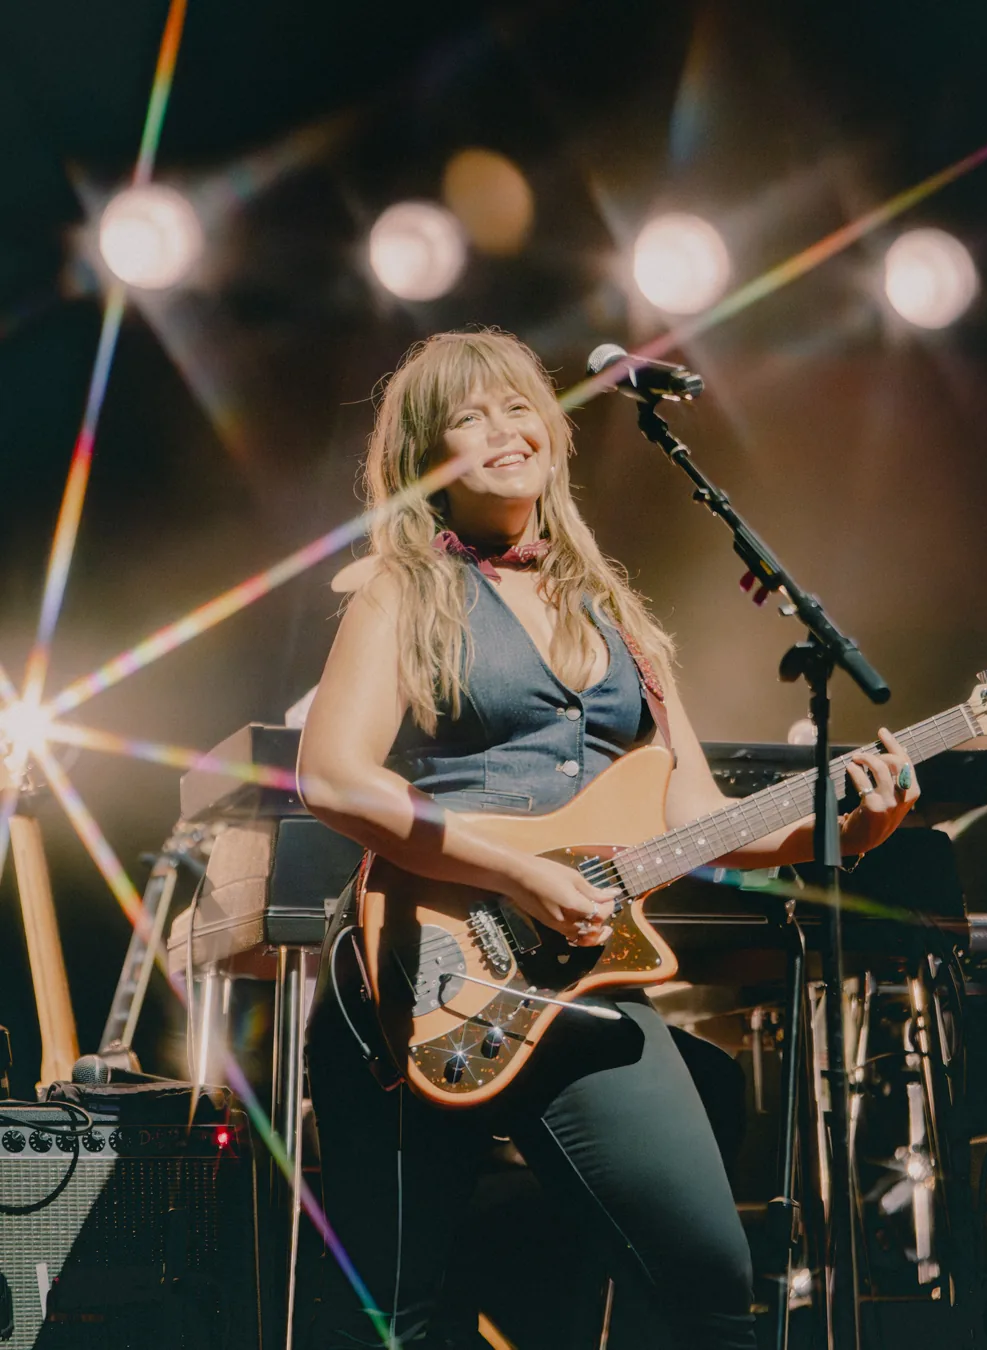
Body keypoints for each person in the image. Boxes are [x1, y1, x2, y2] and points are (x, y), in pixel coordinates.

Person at [298, 329, 917, 1349]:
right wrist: (517, 874)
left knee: (714, 1286)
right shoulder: (399, 593)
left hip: (584, 987)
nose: (506, 429)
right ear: (426, 458)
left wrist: (850, 826)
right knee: (391, 1321)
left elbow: (699, 821)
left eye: (519, 406)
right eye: (471, 415)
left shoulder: (618, 616)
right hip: (423, 971)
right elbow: (332, 778)